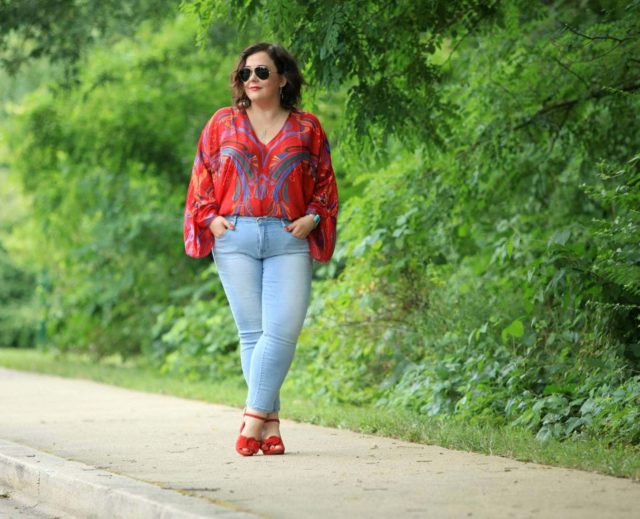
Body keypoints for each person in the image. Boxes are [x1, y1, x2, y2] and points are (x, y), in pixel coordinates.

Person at [183, 42, 339, 456]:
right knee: (252, 334)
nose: (252, 79)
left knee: (282, 330)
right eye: (246, 73)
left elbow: (325, 183)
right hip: (234, 239)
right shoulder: (222, 123)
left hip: (289, 240)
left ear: (282, 78)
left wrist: (315, 218)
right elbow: (201, 175)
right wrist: (211, 218)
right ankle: (269, 425)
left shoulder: (308, 127)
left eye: (262, 72)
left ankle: (252, 418)